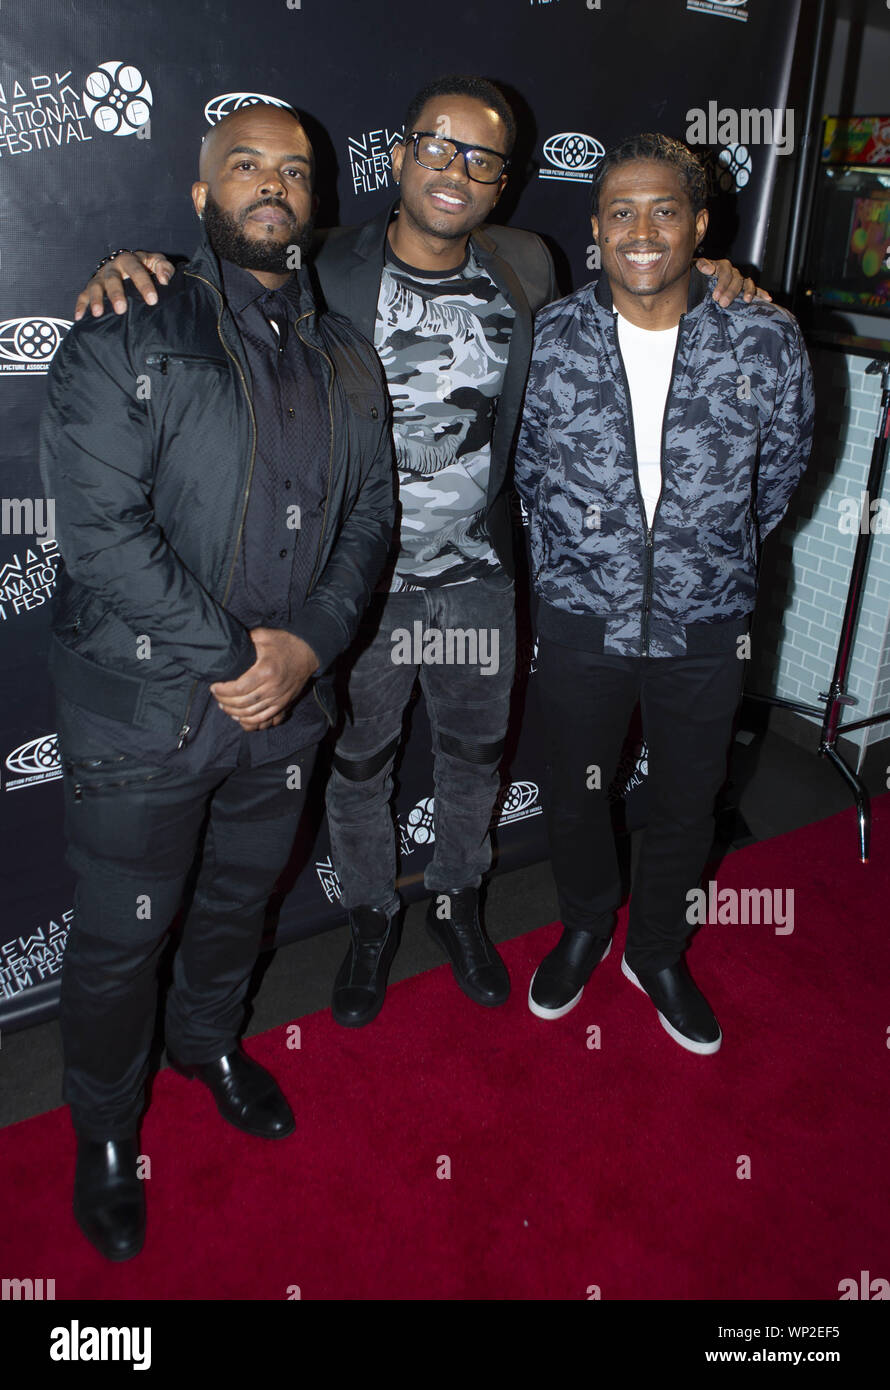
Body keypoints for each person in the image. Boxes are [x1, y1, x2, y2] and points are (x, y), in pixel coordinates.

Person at [73, 78, 763, 1032]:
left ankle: (459, 902)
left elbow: (641, 306)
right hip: (355, 592)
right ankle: (369, 915)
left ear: (505, 183)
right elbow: (222, 256)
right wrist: (124, 264)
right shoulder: (322, 261)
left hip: (478, 579)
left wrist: (723, 274)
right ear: (397, 158)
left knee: (477, 760)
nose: (457, 169)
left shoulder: (528, 263)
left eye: (482, 158)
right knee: (359, 768)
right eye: (438, 147)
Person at [39, 103, 395, 1261]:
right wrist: (240, 655)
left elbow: (369, 520)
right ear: (199, 198)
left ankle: (207, 1042)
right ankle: (104, 1133)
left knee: (238, 907)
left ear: (316, 202)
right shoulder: (125, 329)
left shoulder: (349, 355)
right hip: (145, 715)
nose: (272, 184)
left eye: (295, 170)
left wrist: (309, 647)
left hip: (282, 715)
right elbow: (100, 536)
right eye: (244, 165)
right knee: (116, 944)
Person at [514, 132, 814, 1053]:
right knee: (576, 792)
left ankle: (658, 951)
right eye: (620, 212)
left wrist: (702, 557)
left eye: (664, 210)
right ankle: (587, 926)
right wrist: (578, 567)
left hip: (707, 614)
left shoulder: (763, 334)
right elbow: (525, 475)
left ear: (699, 224)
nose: (641, 230)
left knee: (692, 796)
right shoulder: (554, 333)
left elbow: (784, 472)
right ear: (596, 227)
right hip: (579, 616)